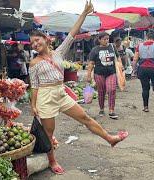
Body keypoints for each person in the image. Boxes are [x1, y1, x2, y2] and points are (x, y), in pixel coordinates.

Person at [29, 0, 128, 175]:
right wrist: (33, 106)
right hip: (45, 96)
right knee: (48, 133)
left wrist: (83, 14)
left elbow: (73, 33)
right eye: (32, 44)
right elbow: (35, 86)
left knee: (85, 117)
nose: (35, 44)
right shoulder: (33, 63)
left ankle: (110, 138)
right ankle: (52, 161)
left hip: (60, 92)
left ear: (46, 39)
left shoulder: (58, 52)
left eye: (37, 40)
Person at [87, 32, 122, 119]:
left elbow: (118, 57)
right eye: (104, 39)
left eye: (107, 39)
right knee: (101, 92)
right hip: (99, 74)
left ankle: (111, 110)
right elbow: (91, 63)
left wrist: (120, 65)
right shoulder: (95, 50)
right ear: (99, 40)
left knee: (112, 90)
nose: (107, 41)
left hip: (111, 72)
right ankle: (101, 109)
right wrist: (88, 75)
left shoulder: (112, 47)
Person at [133, 30, 154, 112]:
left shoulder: (140, 45)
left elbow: (135, 59)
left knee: (145, 88)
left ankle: (145, 107)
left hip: (143, 69)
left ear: (146, 37)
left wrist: (134, 70)